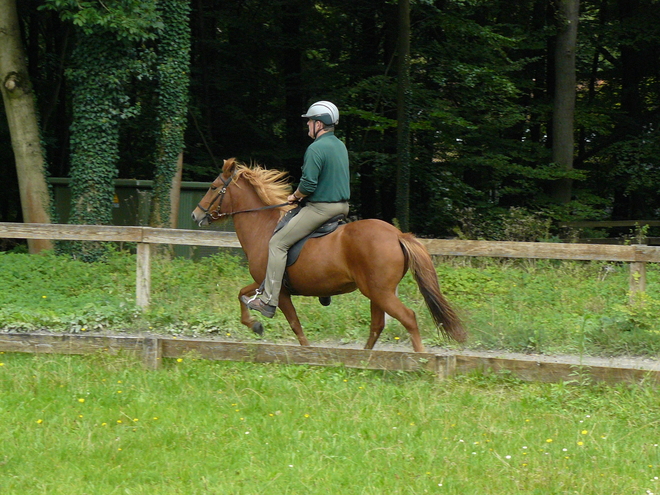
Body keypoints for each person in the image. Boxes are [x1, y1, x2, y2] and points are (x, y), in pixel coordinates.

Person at [241, 101, 351, 317]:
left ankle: (268, 301)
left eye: (310, 120)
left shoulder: (316, 148)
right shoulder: (340, 145)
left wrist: (295, 196)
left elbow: (309, 185)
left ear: (319, 124)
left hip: (321, 208)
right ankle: (323, 287)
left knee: (278, 243)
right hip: (342, 207)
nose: (308, 124)